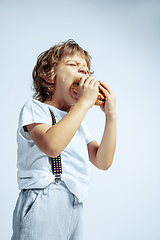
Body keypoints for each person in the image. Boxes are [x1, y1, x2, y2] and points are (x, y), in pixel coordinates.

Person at [11, 39, 117, 240]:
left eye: (86, 70)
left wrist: (111, 116)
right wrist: (83, 104)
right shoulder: (35, 109)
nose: (83, 73)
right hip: (44, 196)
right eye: (74, 65)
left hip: (75, 203)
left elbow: (102, 161)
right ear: (50, 76)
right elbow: (52, 146)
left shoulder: (76, 121)